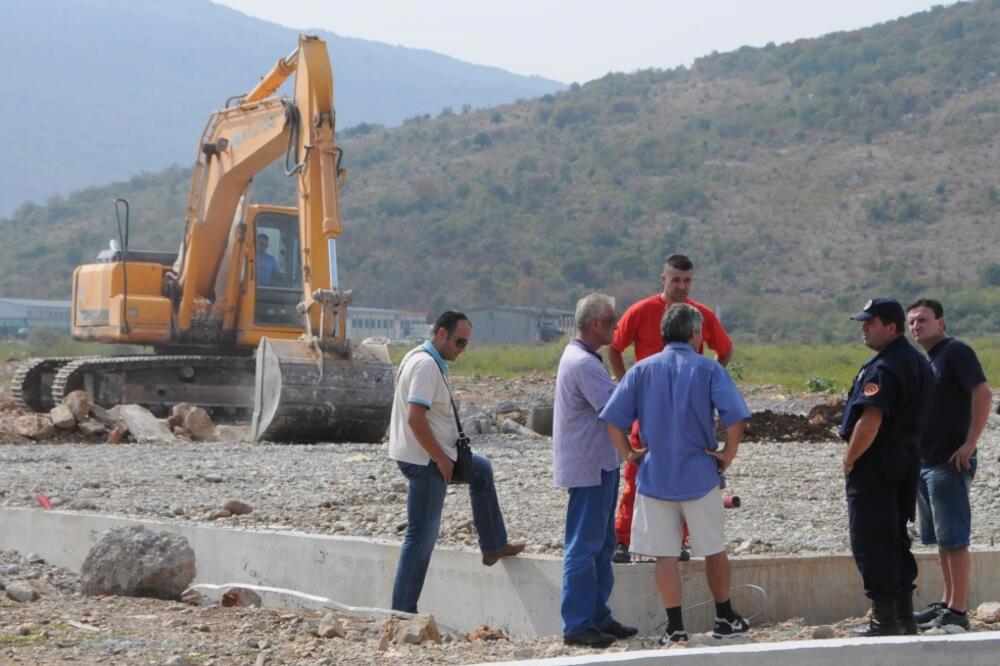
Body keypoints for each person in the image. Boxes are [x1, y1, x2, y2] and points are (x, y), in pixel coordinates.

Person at [601, 303, 751, 644]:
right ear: (696, 333)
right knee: (713, 549)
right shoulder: (708, 370)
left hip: (655, 475)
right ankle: (724, 617)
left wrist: (629, 454)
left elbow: (612, 420)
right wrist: (727, 454)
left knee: (664, 556)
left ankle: (675, 627)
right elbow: (736, 418)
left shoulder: (641, 370)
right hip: (699, 473)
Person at [388, 311, 524, 613]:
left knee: (482, 471)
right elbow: (415, 417)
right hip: (427, 461)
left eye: (466, 344)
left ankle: (493, 545)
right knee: (421, 537)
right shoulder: (425, 366)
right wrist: (439, 458)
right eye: (460, 342)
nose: (462, 349)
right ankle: (402, 611)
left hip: (435, 455)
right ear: (441, 335)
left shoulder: (420, 357)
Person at [607, 254, 734, 563]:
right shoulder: (640, 311)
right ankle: (623, 540)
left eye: (687, 280)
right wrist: (627, 384)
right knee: (637, 469)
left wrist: (708, 385)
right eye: (676, 279)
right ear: (663, 280)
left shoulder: (701, 314)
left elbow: (726, 350)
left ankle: (679, 541)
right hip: (649, 408)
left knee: (691, 471)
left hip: (689, 410)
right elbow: (613, 347)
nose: (682, 286)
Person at [839, 297, 933, 636]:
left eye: (871, 322)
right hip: (907, 457)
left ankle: (884, 620)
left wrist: (851, 459)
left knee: (872, 537)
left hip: (877, 460)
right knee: (895, 537)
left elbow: (871, 420)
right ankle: (905, 617)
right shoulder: (918, 362)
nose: (864, 328)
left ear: (890, 327)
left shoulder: (885, 367)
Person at [553, 294, 639, 648]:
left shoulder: (583, 358)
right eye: (611, 322)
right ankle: (577, 623)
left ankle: (597, 616)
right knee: (584, 545)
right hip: (589, 467)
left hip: (598, 463)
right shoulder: (584, 365)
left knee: (601, 544)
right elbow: (614, 407)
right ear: (594, 325)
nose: (616, 327)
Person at [906, 298, 992, 631]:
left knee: (954, 539)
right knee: (941, 540)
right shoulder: (928, 361)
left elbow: (983, 394)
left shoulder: (956, 352)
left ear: (941, 323)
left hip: (949, 462)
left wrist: (970, 444)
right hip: (925, 464)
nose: (917, 326)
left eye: (923, 320)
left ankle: (958, 612)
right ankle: (946, 602)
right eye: (912, 322)